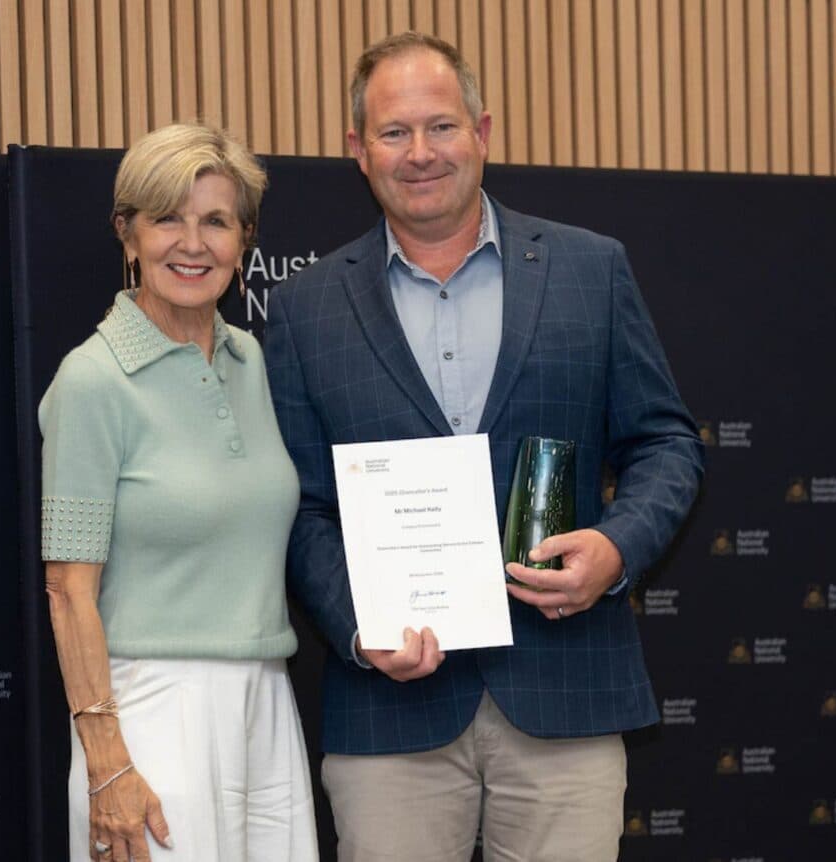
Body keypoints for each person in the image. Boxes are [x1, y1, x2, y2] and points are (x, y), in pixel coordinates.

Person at [264, 32, 704, 861]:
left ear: (484, 131)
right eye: (394, 133)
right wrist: (360, 628)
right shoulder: (303, 309)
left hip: (567, 703)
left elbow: (666, 444)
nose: (420, 152)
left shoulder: (590, 270)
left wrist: (615, 548)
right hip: (390, 720)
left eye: (442, 126)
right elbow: (300, 505)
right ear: (358, 150)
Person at [39, 123, 318, 862]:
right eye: (167, 218)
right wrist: (107, 763)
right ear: (127, 234)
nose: (191, 243)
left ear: (244, 240)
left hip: (265, 697)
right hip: (151, 712)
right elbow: (68, 589)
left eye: (215, 221)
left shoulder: (248, 359)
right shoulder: (91, 380)